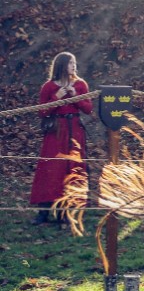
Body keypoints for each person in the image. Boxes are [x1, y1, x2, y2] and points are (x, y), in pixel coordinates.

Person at [29, 52, 93, 224]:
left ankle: (68, 211)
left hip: (74, 131)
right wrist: (55, 98)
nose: (74, 66)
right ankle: (44, 210)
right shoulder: (48, 87)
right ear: (61, 65)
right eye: (70, 63)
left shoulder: (80, 85)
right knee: (51, 168)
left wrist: (74, 96)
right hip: (56, 132)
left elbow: (88, 109)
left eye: (74, 62)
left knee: (73, 167)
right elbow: (42, 112)